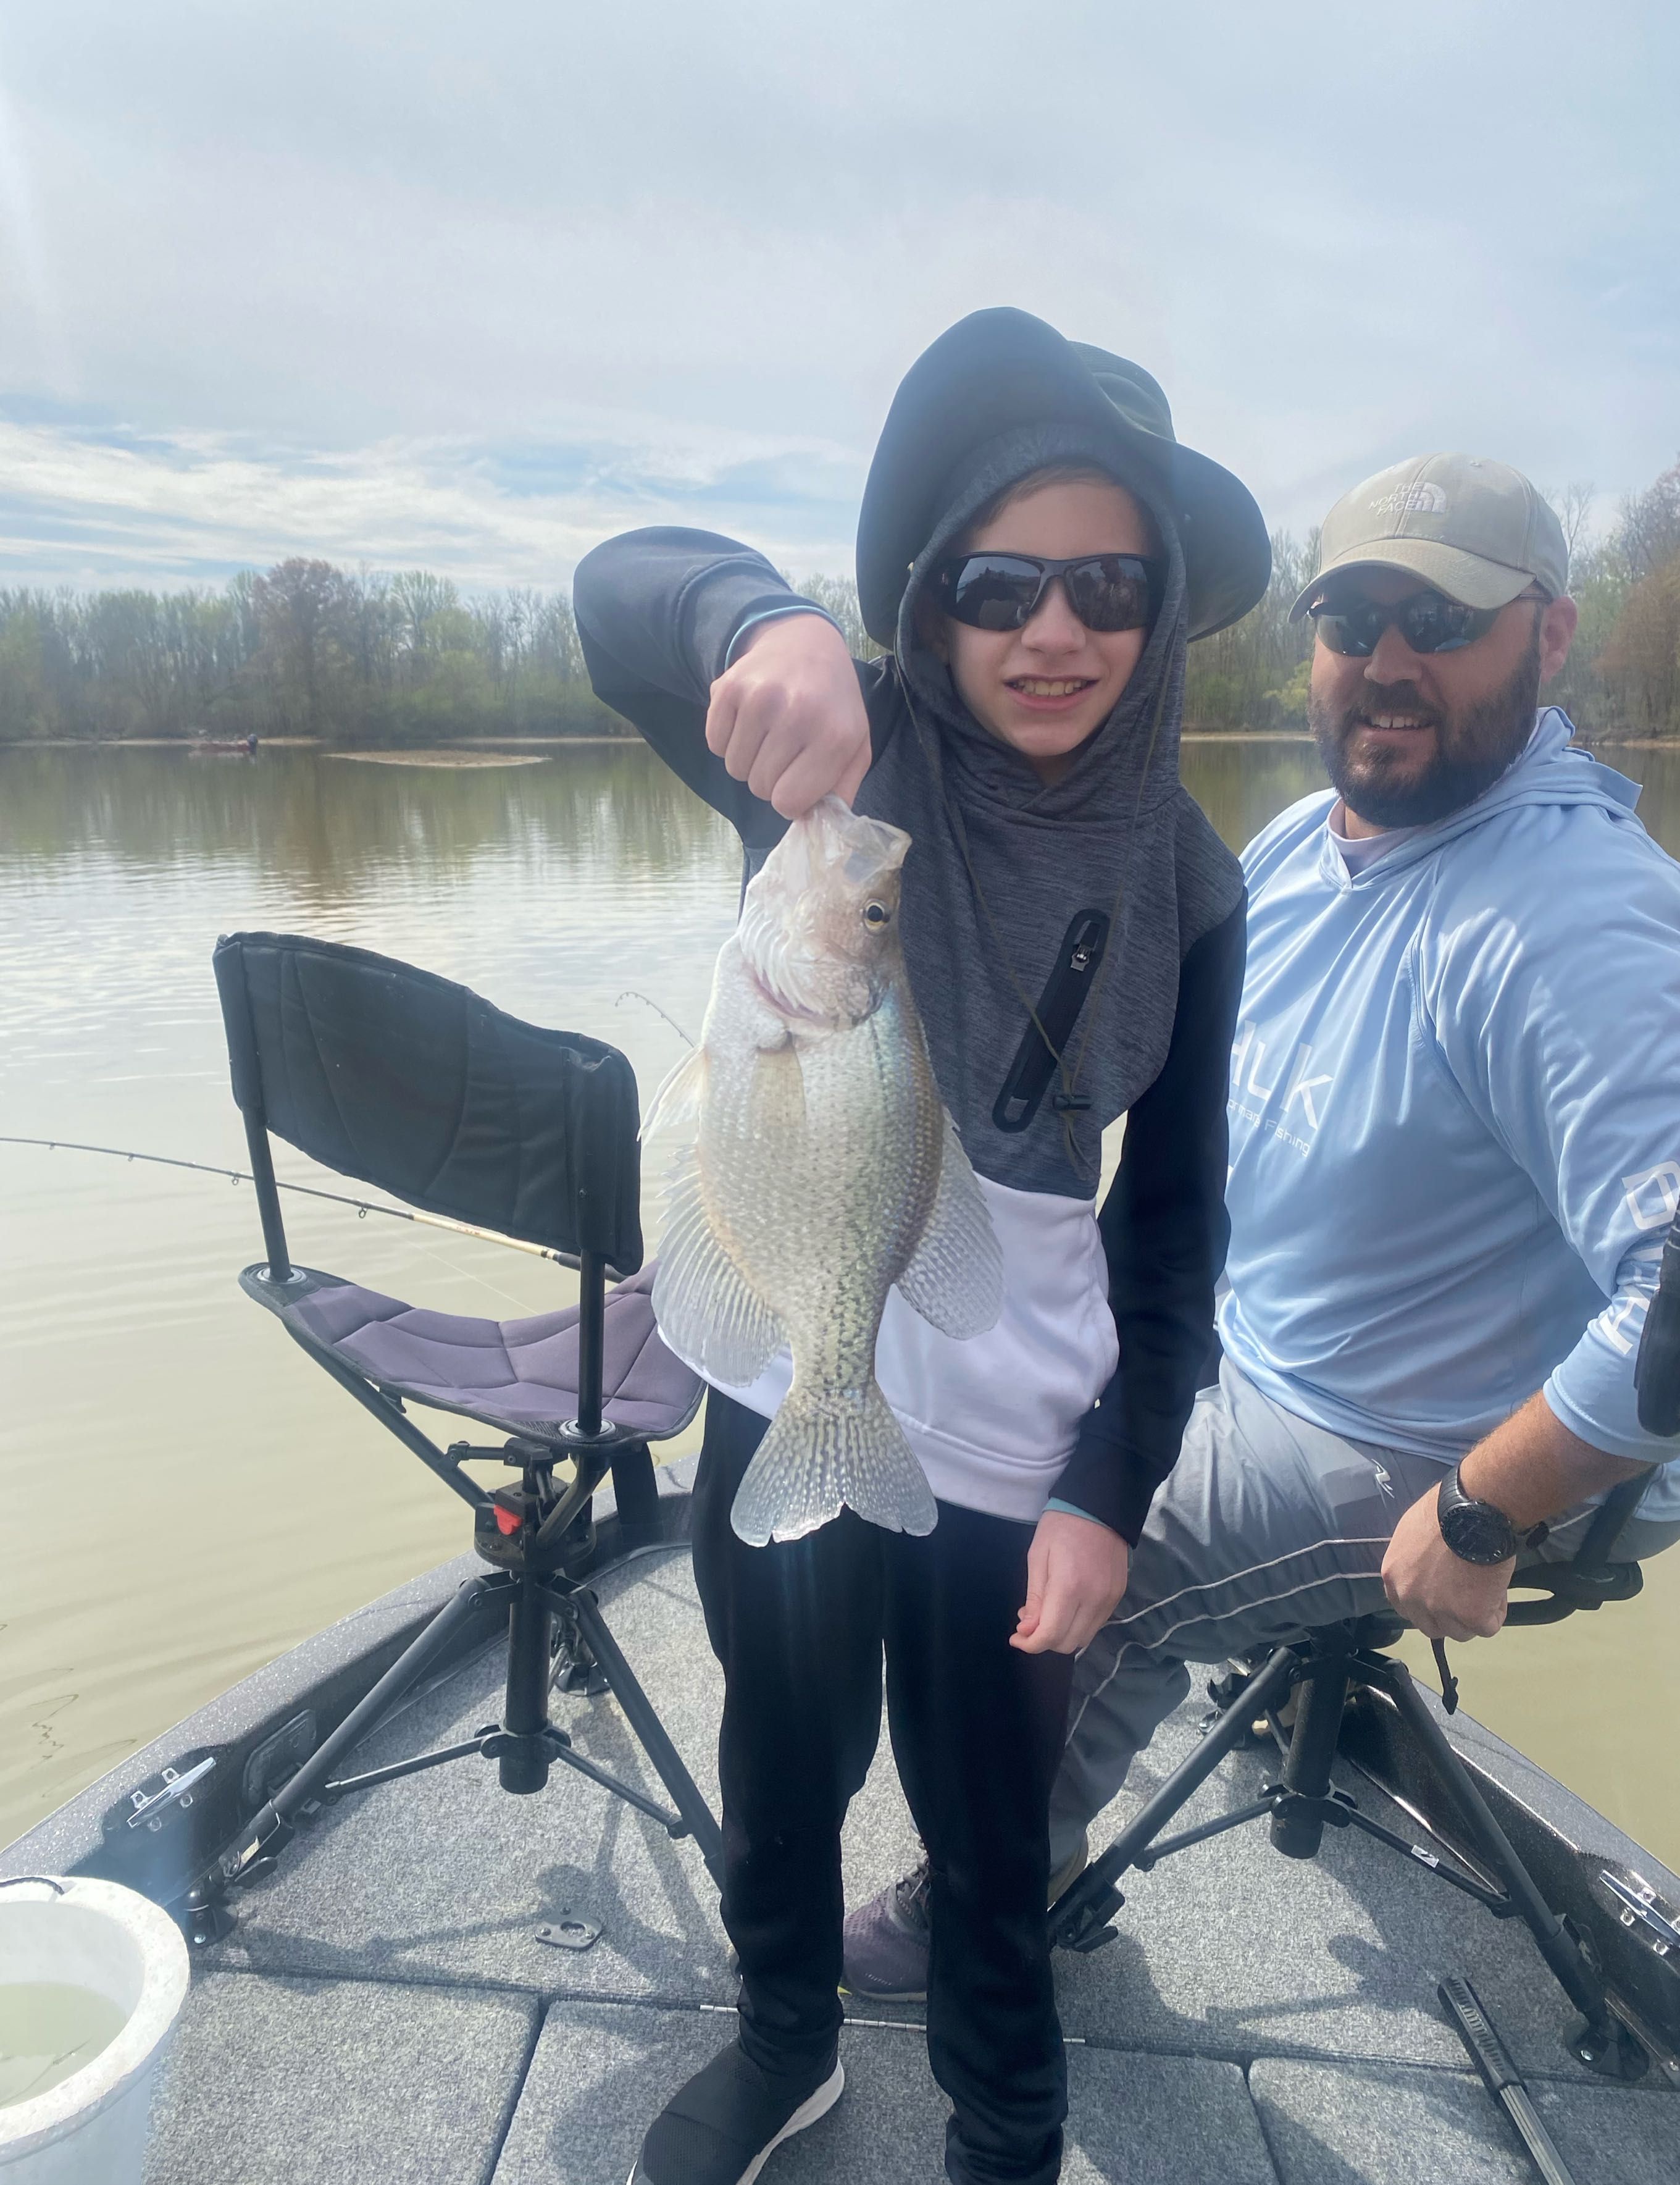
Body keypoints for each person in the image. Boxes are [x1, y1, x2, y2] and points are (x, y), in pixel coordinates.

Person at [574, 307, 1271, 2185]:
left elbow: (1178, 1222)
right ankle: (789, 2034)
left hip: (1019, 1419)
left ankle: (1009, 2120)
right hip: (795, 1332)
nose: (1056, 630)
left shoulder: (1193, 879)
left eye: (1113, 583)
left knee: (988, 1811)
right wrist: (756, 623)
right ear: (929, 596)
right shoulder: (833, 792)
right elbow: (609, 590)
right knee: (780, 1747)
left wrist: (1110, 1485)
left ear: (1166, 607)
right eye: (999, 581)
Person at [843, 451, 1680, 2007]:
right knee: (976, 1404)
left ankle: (994, 1892)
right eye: (1351, 613)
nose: (1386, 662)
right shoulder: (1303, 844)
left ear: (1548, 639)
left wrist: (1489, 1507)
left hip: (1423, 1433)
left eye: (1441, 618)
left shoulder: (1576, 914)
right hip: (1253, 1344)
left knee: (1086, 1538)